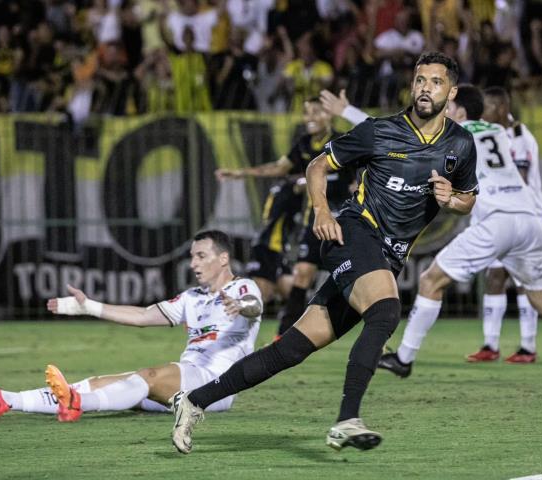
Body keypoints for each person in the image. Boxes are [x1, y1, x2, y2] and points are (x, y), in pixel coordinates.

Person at [169, 52, 479, 455]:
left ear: (450, 92)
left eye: (435, 82)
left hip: (386, 256)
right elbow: (318, 165)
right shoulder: (379, 131)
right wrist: (320, 209)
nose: (425, 88)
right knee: (385, 312)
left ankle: (193, 400)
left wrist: (450, 198)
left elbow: (468, 199)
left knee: (291, 349)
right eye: (420, 80)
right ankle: (347, 420)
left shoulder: (460, 143)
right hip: (351, 231)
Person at [377, 84, 542, 381]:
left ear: (459, 111)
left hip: (497, 221)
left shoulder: (451, 132)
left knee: (430, 280)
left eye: (447, 107)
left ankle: (404, 358)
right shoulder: (498, 131)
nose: (442, 112)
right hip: (529, 220)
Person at [0, 230, 263, 422]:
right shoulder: (192, 297)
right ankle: (3, 399)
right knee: (102, 382)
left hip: (216, 387)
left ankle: (78, 404)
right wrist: (90, 307)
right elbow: (142, 316)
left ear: (223, 258)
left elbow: (255, 306)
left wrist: (241, 307)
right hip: (186, 380)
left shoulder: (242, 287)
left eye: (201, 256)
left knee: (148, 376)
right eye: (191, 256)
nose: (193, 263)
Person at [215, 97, 351, 313]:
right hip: (315, 221)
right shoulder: (305, 144)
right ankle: (286, 337)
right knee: (302, 274)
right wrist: (239, 173)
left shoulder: (342, 141)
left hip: (344, 219)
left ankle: (373, 332)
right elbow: (279, 168)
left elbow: (356, 178)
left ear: (331, 114)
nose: (311, 118)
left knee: (355, 278)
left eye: (318, 112)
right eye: (307, 112)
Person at [464, 86, 542, 364]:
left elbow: (519, 179)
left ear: (499, 108)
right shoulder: (492, 133)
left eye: (485, 108)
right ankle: (490, 345)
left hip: (522, 217)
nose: (481, 114)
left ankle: (527, 346)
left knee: (524, 281)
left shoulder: (519, 137)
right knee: (495, 278)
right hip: (498, 217)